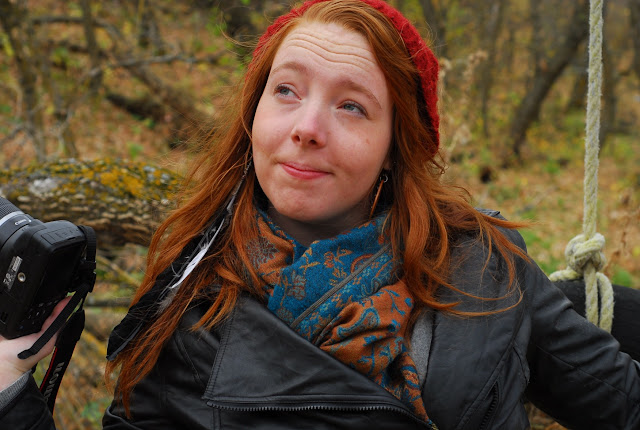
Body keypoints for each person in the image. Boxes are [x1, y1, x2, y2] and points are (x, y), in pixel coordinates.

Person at [1, 0, 639, 428]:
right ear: (255, 114)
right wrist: (7, 391)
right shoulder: (184, 298)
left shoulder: (483, 265)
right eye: (286, 90)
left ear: (395, 147)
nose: (307, 127)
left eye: (351, 106)